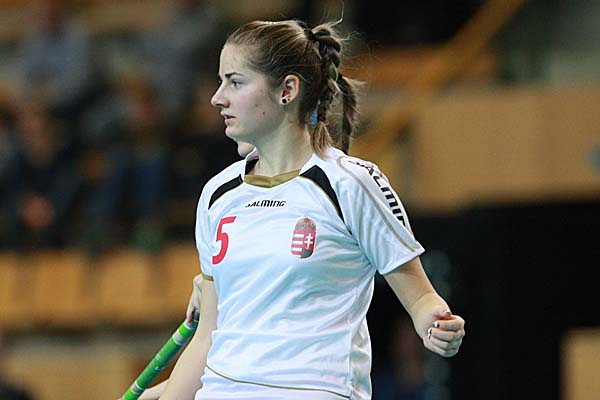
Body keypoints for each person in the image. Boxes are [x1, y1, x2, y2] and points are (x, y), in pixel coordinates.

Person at [155, 19, 465, 400]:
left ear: (287, 90)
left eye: (235, 82)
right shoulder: (218, 194)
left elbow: (420, 298)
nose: (217, 98)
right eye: (221, 82)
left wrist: (433, 319)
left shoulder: (349, 184)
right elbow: (207, 340)